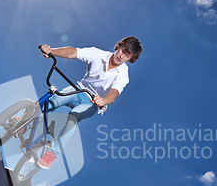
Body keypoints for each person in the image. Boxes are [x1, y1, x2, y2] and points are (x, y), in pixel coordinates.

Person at [37, 36, 143, 169]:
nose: (122, 56)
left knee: (74, 118)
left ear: (130, 59)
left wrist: (103, 100)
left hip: (93, 102)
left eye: (127, 56)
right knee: (54, 101)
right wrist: (51, 51)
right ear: (119, 46)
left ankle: (52, 153)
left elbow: (114, 93)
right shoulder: (98, 54)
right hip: (79, 89)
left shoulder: (123, 74)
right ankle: (24, 121)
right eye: (123, 50)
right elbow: (72, 52)